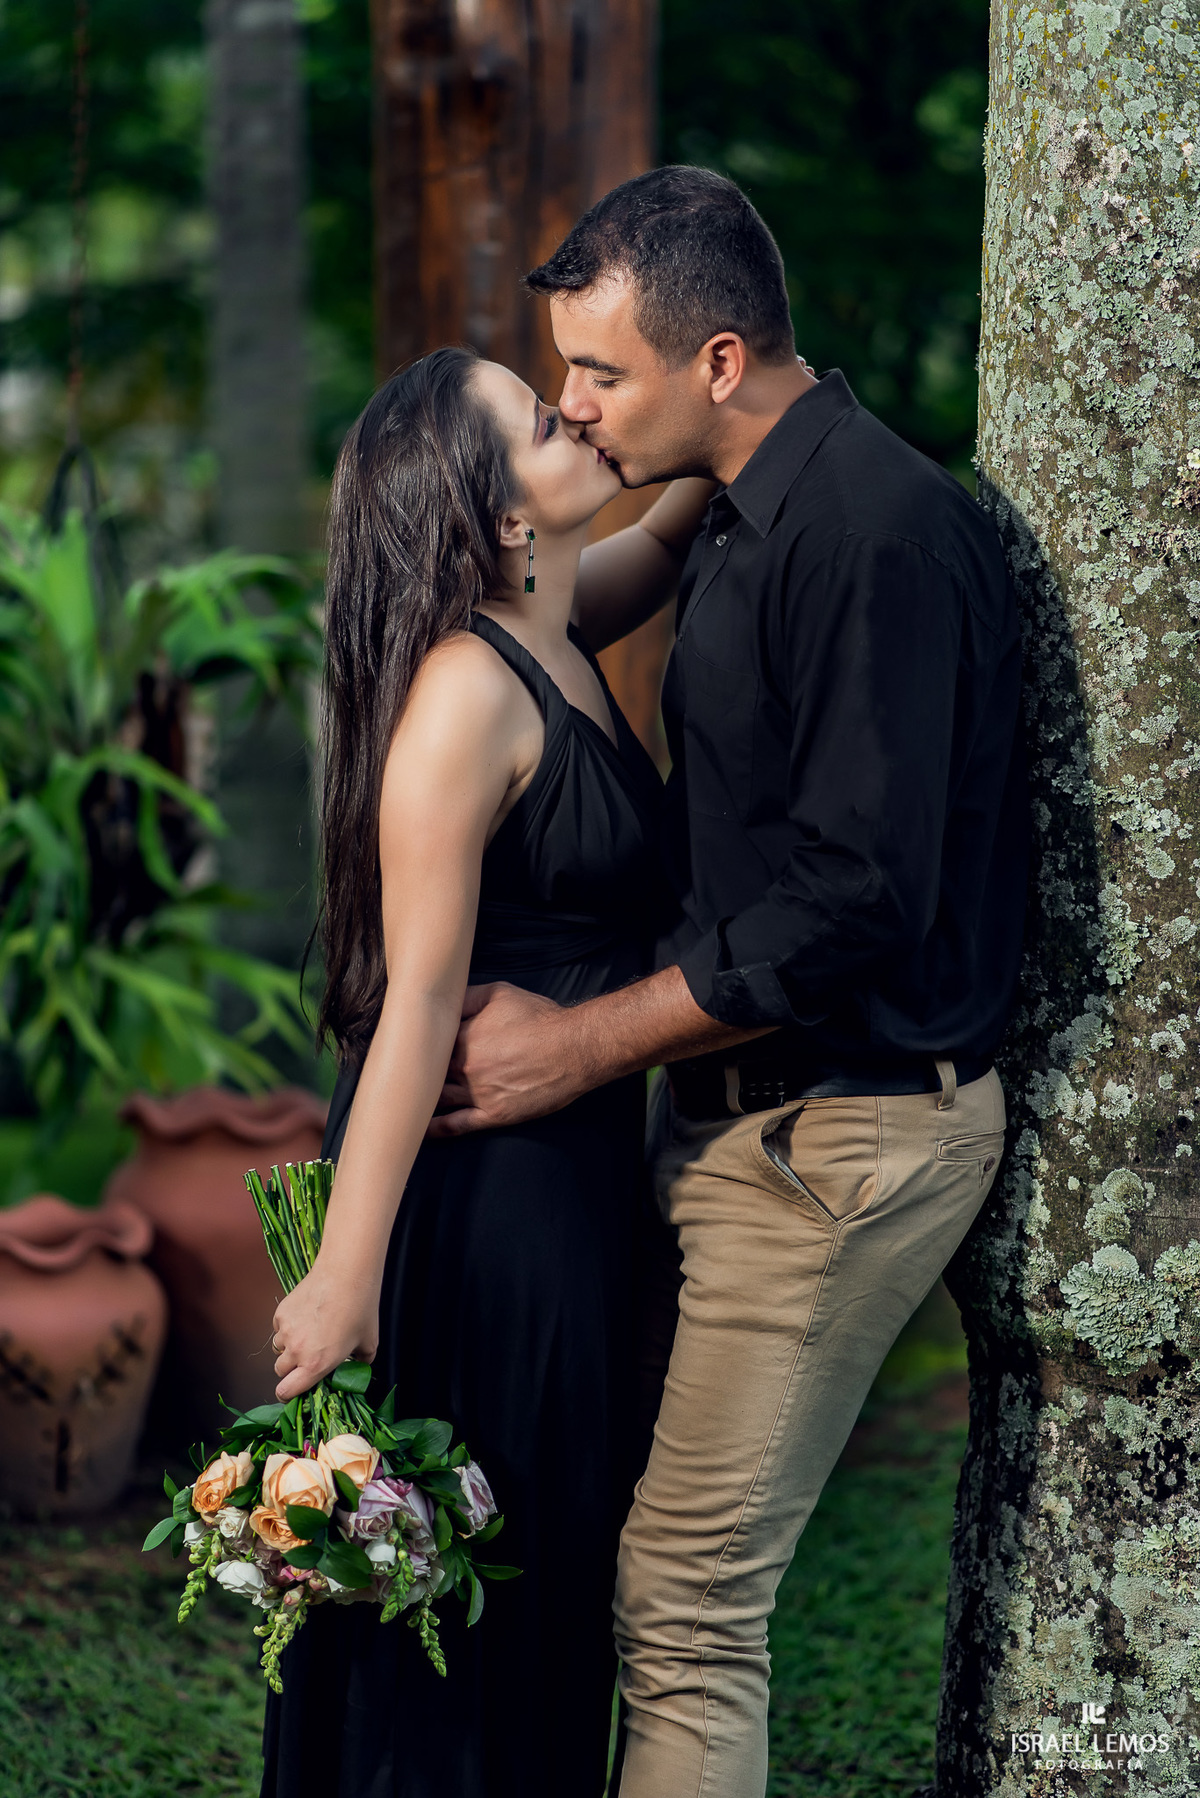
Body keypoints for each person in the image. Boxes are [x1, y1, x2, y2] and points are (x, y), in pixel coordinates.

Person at [431, 167, 1029, 1798]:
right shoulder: (743, 501)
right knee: (596, 1541)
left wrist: (576, 1049)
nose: (570, 403)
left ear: (715, 361)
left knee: (688, 1602)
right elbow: (557, 613)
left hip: (839, 1136)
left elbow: (853, 903)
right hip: (728, 1120)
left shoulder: (874, 533)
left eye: (598, 374)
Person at [260, 344, 713, 1798]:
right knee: (466, 1606)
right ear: (502, 513)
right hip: (485, 1205)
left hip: (569, 1182)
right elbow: (415, 1005)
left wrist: (738, 422)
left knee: (545, 1580)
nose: (574, 408)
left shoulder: (557, 626)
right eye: (539, 417)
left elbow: (660, 540)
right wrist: (345, 1274)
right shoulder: (467, 691)